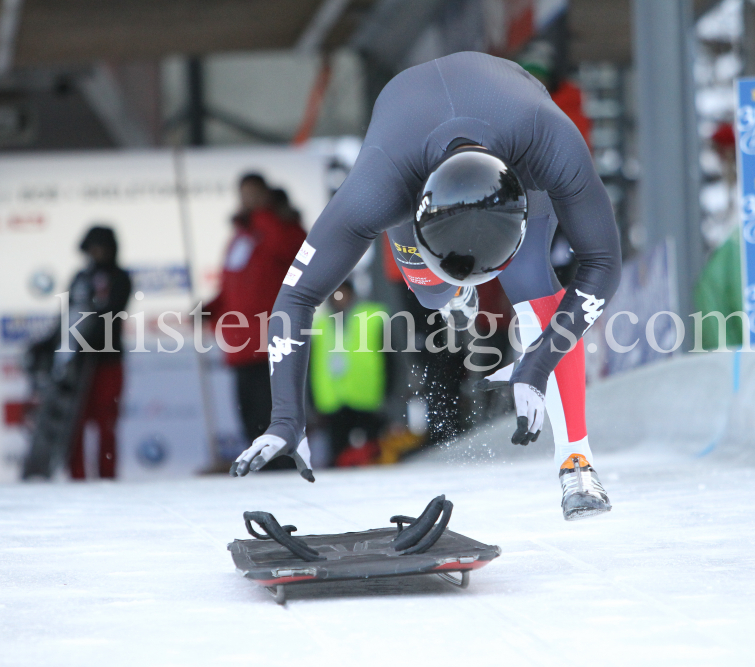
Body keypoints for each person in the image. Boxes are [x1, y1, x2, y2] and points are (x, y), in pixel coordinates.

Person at [231, 52, 621, 522]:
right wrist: (285, 418)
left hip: (511, 139)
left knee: (536, 290)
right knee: (432, 293)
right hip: (412, 148)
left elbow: (602, 265)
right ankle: (453, 295)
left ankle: (576, 461)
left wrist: (537, 365)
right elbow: (295, 297)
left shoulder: (548, 143)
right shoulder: (381, 187)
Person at [206, 175, 306, 465]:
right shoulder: (240, 236)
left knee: (271, 416)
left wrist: (265, 215)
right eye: (244, 194)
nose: (248, 200)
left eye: (254, 193)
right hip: (241, 345)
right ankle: (260, 469)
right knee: (249, 415)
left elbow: (290, 252)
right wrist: (210, 307)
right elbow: (231, 287)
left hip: (272, 340)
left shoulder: (282, 228)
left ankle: (281, 469)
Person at [67, 226, 132, 479]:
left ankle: (107, 476)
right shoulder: (80, 278)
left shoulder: (120, 277)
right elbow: (66, 314)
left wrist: (90, 332)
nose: (97, 253)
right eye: (92, 247)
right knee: (76, 422)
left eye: (102, 247)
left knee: (106, 421)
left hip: (108, 359)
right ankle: (77, 476)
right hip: (79, 362)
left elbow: (113, 312)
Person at [309, 282, 387, 467]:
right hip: (333, 401)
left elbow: (390, 359)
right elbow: (312, 366)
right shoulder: (319, 324)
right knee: (339, 456)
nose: (339, 299)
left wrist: (389, 393)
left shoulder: (373, 317)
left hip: (367, 396)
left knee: (372, 454)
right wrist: (313, 401)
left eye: (342, 294)